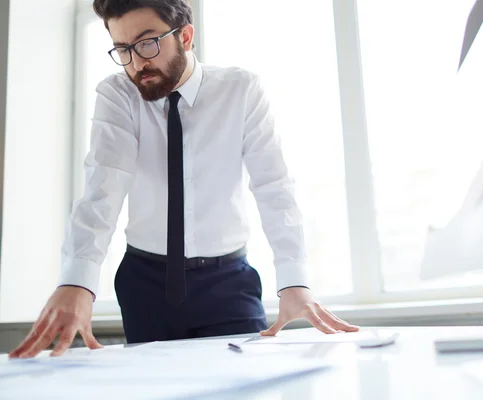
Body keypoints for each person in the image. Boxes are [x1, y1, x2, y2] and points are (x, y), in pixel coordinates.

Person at [10, 0, 358, 359]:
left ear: (186, 36)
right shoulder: (118, 94)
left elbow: (274, 188)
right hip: (144, 282)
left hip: (229, 283)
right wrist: (77, 281)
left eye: (147, 43)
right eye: (123, 50)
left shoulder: (241, 90)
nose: (137, 63)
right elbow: (104, 186)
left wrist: (294, 280)